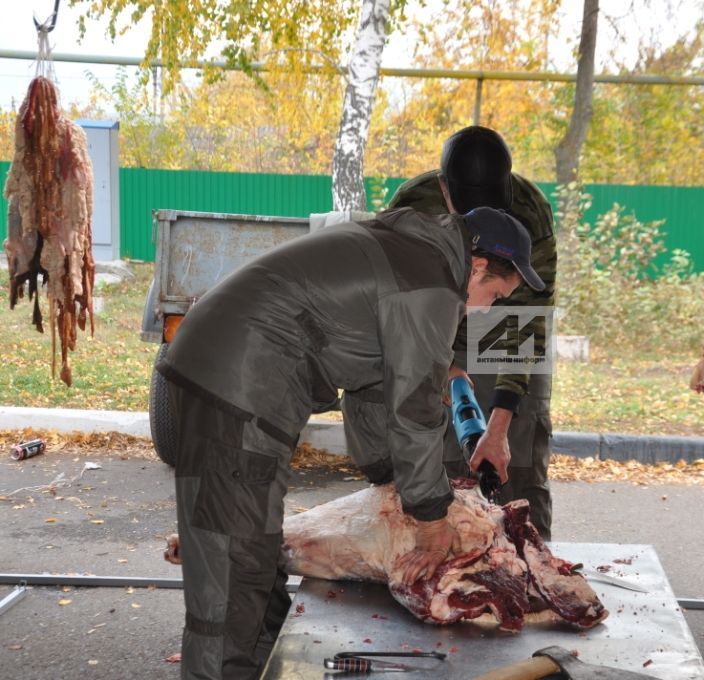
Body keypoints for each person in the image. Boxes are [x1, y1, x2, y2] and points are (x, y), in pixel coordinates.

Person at [157, 206, 543, 680]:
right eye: (494, 294)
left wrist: (389, 476)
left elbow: (375, 388)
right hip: (237, 376)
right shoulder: (433, 284)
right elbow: (414, 410)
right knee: (233, 561)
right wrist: (429, 515)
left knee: (252, 544)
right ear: (478, 265)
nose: (485, 310)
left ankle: (262, 664)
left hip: (230, 361)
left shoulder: (416, 252)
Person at [389, 126, 558, 539]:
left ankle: (529, 571)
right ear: (444, 189)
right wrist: (444, 363)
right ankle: (445, 573)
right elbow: (396, 305)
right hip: (435, 327)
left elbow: (527, 318)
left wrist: (499, 425)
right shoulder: (413, 206)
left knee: (514, 468)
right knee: (441, 464)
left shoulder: (530, 209)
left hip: (503, 323)